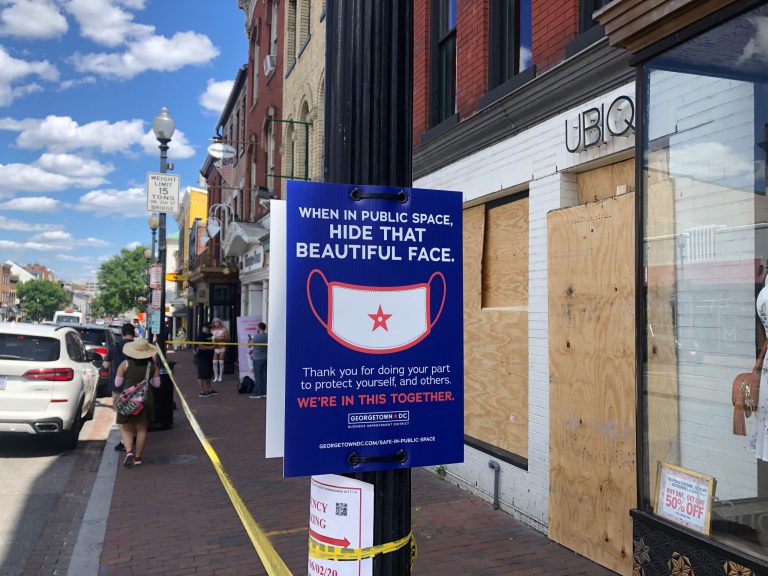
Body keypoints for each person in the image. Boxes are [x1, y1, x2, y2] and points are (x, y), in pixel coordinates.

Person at [114, 338, 161, 467]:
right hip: (144, 400)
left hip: (127, 400)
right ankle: (138, 457)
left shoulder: (125, 364)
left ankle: (129, 451)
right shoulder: (152, 365)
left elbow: (117, 383)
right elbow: (157, 384)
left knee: (125, 427)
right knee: (142, 429)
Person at [103, 322, 135, 452]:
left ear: (122, 333)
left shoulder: (114, 347)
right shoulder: (137, 347)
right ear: (134, 333)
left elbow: (105, 365)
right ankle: (132, 437)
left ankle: (124, 441)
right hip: (135, 386)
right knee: (133, 413)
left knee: (121, 416)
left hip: (119, 386)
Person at [195, 323, 217, 397]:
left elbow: (214, 344)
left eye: (210, 328)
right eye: (208, 328)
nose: (209, 329)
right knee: (201, 376)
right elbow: (200, 346)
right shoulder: (200, 336)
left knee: (209, 375)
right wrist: (211, 348)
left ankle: (210, 390)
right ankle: (201, 392)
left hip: (209, 358)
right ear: (204, 328)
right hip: (202, 358)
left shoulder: (211, 335)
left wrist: (215, 344)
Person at [249, 322, 268, 399]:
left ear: (259, 328)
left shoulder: (256, 337)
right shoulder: (268, 336)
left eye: (257, 327)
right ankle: (264, 392)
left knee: (257, 376)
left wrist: (249, 340)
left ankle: (258, 393)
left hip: (257, 358)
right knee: (264, 375)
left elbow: (249, 345)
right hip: (266, 358)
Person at [210, 318, 229, 382]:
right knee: (214, 362)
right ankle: (216, 377)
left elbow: (227, 339)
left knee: (221, 362)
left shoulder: (224, 329)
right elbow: (210, 339)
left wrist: (220, 339)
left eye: (217, 322)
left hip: (222, 347)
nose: (215, 323)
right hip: (215, 348)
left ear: (219, 322)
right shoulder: (212, 330)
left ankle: (220, 376)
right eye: (214, 322)